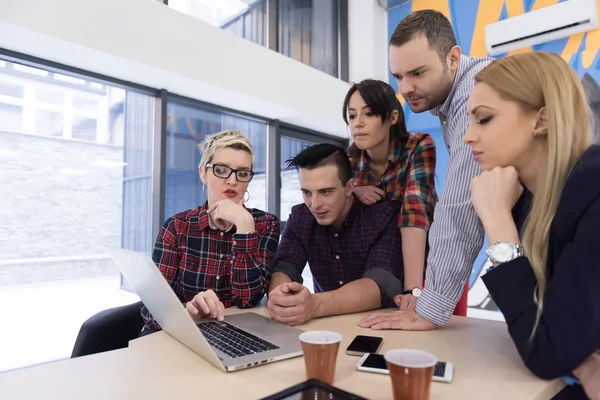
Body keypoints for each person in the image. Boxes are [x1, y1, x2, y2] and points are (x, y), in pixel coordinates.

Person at [359, 9, 494, 330]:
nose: (405, 88)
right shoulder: (448, 104)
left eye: (417, 73)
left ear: (453, 58)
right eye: (398, 77)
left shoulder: (475, 92)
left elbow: (460, 206)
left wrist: (428, 306)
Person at [140, 130, 280, 336]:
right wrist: (189, 314)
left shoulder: (264, 224)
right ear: (203, 173)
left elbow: (248, 300)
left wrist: (244, 226)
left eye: (242, 173)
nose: (232, 181)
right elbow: (153, 309)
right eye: (221, 170)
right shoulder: (177, 226)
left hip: (237, 335)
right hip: (184, 334)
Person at [266, 143, 404, 326]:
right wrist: (282, 298)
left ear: (349, 187)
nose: (315, 204)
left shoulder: (383, 216)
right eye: (307, 192)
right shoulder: (301, 217)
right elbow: (283, 269)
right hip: (324, 329)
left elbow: (380, 285)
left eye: (326, 192)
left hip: (380, 328)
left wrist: (314, 305)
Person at [343, 79, 437, 309]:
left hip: (430, 263)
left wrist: (413, 290)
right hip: (380, 270)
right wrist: (354, 190)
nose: (358, 124)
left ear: (392, 118)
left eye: (369, 114)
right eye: (352, 115)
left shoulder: (418, 146)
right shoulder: (350, 162)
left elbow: (414, 210)